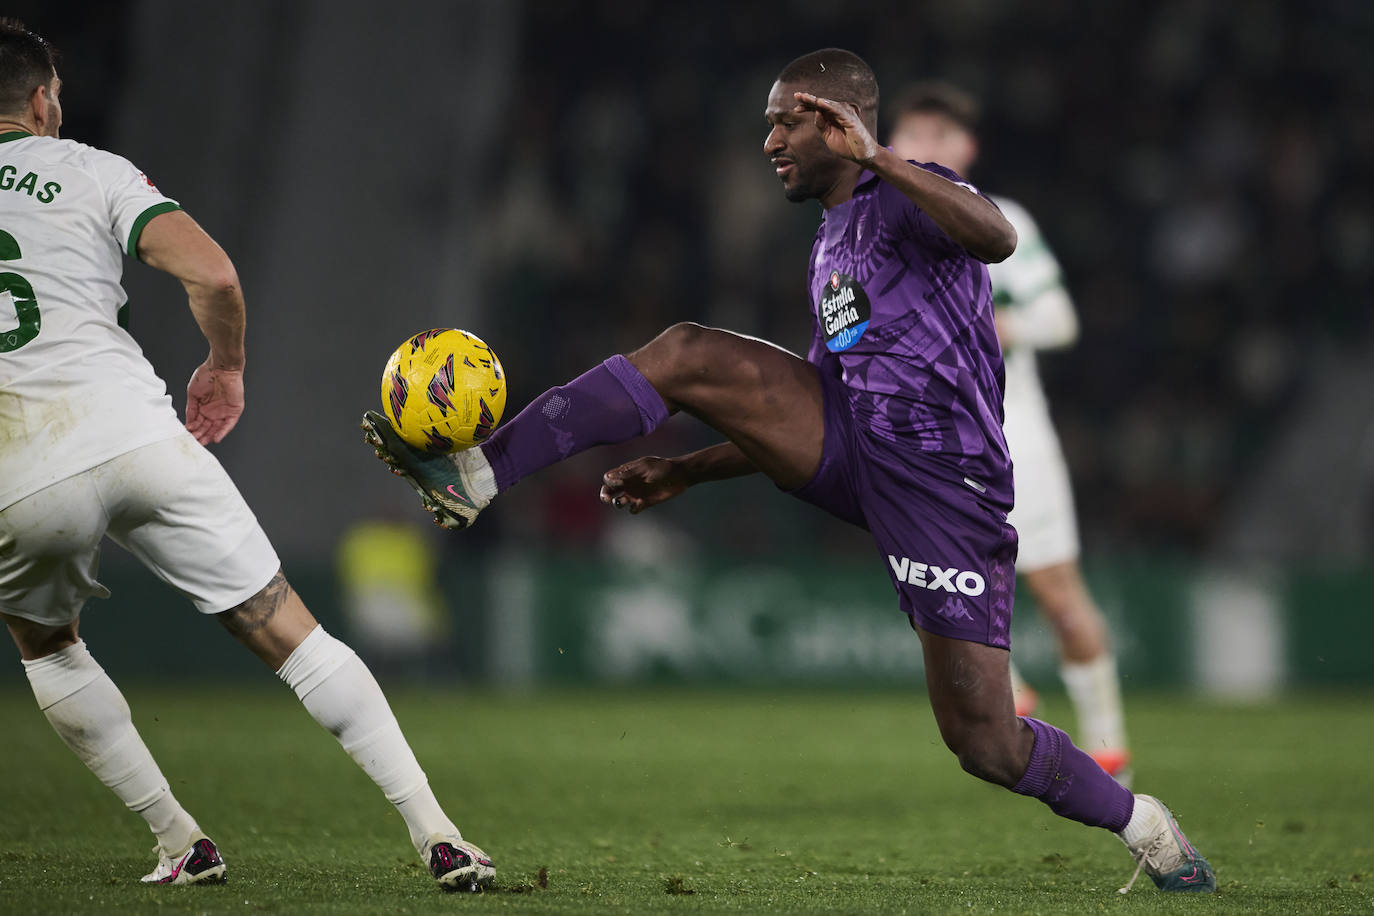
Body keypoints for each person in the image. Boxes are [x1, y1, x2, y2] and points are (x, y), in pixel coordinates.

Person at [365, 48, 1214, 895]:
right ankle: (478, 475)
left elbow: (998, 238)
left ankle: (1146, 824)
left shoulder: (906, 189)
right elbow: (817, 404)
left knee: (986, 744)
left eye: (785, 119)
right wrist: (691, 471)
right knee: (688, 352)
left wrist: (879, 156)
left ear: (837, 121)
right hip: (858, 449)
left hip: (943, 489)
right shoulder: (829, 244)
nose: (768, 139)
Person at [0, 21, 492, 891]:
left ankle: (179, 841)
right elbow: (215, 276)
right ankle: (438, 833)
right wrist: (224, 368)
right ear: (41, 101)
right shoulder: (92, 169)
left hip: (17, 473)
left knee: (49, 649)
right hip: (137, 434)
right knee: (287, 629)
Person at [887, 82, 1132, 785]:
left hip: (1010, 429)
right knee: (928, 582)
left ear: (967, 149)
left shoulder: (999, 219)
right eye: (914, 135)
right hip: (924, 438)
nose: (927, 148)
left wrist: (1004, 326)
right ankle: (1015, 694)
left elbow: (1062, 319)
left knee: (1055, 590)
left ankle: (1110, 751)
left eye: (942, 136)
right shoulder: (873, 226)